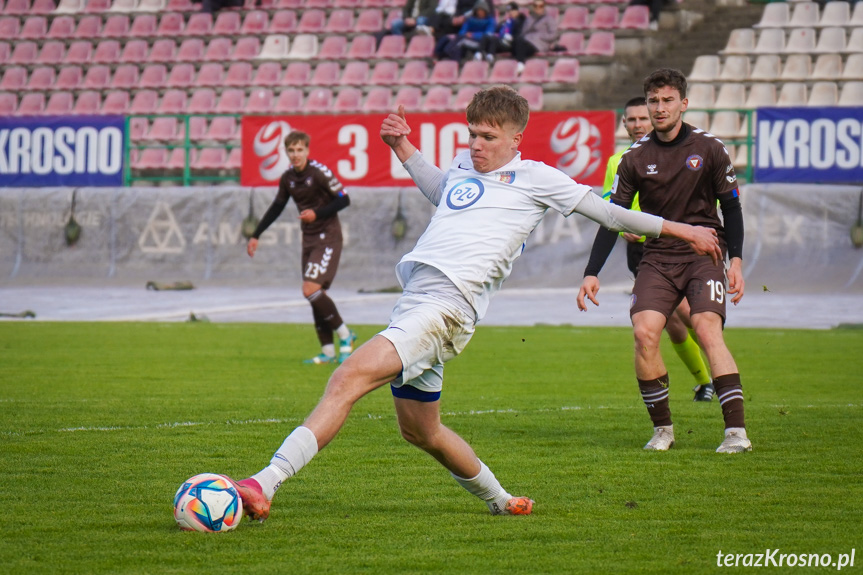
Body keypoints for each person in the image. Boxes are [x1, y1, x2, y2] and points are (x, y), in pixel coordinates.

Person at [224, 86, 722, 522]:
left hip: (447, 306)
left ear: (515, 139)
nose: (476, 145)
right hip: (416, 302)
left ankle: (262, 484)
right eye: (471, 134)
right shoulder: (464, 168)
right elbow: (445, 191)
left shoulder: (538, 178)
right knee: (421, 431)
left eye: (488, 136)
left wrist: (684, 230)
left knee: (347, 377)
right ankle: (501, 500)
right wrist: (401, 146)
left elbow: (611, 214)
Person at [577, 69, 751, 454]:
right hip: (656, 258)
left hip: (702, 253)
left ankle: (736, 433)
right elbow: (613, 217)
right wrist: (592, 272)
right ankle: (663, 430)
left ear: (683, 104)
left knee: (706, 329)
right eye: (653, 101)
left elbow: (732, 209)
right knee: (644, 334)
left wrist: (736, 260)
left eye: (667, 100)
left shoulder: (710, 148)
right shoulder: (634, 158)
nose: (659, 108)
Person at [605, 97, 715, 402]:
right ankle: (705, 381)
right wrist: (620, 226)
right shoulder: (618, 161)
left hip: (680, 245)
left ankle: (716, 369)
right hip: (642, 251)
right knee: (674, 322)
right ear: (624, 124)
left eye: (643, 118)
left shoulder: (681, 154)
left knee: (684, 311)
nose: (638, 124)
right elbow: (608, 208)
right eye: (632, 120)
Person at [247, 131, 356, 365]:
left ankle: (346, 335)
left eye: (299, 150)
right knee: (316, 294)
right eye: (291, 150)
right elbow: (277, 206)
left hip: (328, 237)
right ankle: (328, 352)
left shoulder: (319, 172)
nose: (295, 155)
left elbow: (344, 199)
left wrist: (317, 213)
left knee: (309, 289)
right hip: (308, 239)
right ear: (286, 152)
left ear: (307, 150)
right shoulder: (288, 178)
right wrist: (256, 234)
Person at [511, 0, 557, 75]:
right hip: (526, 41)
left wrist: (540, 36)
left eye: (541, 6)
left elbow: (553, 35)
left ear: (544, 7)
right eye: (535, 6)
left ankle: (521, 63)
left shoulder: (549, 19)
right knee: (515, 42)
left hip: (538, 44)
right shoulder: (529, 19)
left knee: (520, 44)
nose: (538, 8)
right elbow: (523, 32)